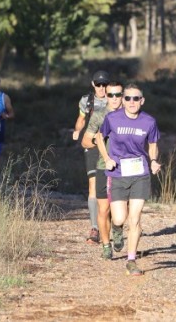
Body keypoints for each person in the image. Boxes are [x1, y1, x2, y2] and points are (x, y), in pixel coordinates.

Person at [95, 83, 161, 276]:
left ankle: (131, 260)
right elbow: (100, 137)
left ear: (142, 101)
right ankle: (116, 227)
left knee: (135, 218)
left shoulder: (149, 121)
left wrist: (154, 160)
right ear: (123, 100)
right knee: (119, 218)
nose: (132, 102)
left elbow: (153, 144)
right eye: (128, 98)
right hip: (117, 175)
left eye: (136, 98)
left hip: (140, 175)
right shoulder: (112, 118)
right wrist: (107, 159)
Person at [81, 81, 123, 260]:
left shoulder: (128, 114)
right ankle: (106, 245)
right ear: (106, 96)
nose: (115, 99)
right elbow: (85, 141)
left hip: (124, 168)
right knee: (103, 209)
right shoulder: (99, 116)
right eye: (111, 95)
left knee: (121, 209)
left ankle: (118, 227)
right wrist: (101, 148)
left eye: (118, 95)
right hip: (102, 166)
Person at [72, 70, 110, 244]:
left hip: (111, 145)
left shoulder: (115, 97)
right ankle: (95, 227)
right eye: (99, 84)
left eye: (104, 84)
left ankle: (112, 222)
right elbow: (81, 118)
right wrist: (77, 130)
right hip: (93, 144)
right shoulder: (87, 100)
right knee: (93, 184)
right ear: (93, 84)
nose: (102, 88)